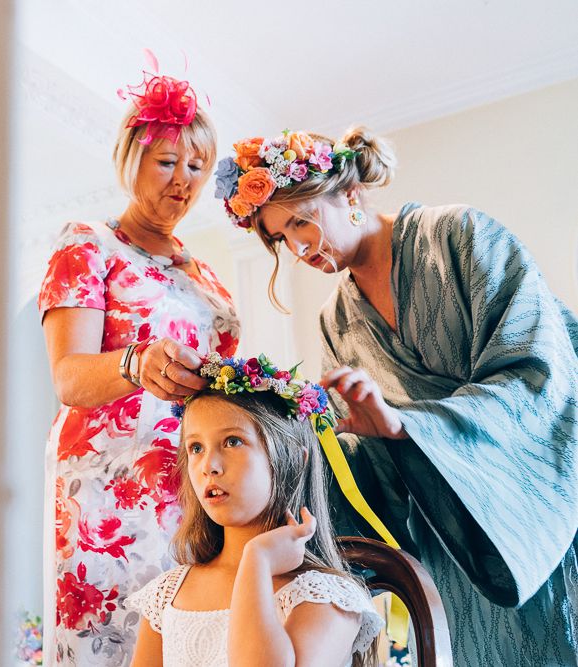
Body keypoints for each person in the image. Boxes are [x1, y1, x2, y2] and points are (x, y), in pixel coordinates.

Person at [213, 128, 578, 665]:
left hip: (533, 509)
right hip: (452, 542)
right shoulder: (336, 322)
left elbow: (535, 371)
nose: (298, 248)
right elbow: (364, 462)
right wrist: (285, 450)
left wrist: (408, 425)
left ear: (350, 195)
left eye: (299, 221)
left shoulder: (460, 235)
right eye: (281, 239)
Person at [37, 70, 239, 666]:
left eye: (198, 167)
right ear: (133, 160)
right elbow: (69, 377)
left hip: (196, 486)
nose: (184, 181)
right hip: (109, 490)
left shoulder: (207, 279)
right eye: (168, 163)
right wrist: (135, 361)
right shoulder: (88, 245)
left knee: (192, 643)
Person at [127, 352, 383, 667]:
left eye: (232, 442)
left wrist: (257, 562)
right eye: (196, 448)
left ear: (292, 459)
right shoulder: (167, 595)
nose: (209, 466)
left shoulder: (328, 596)